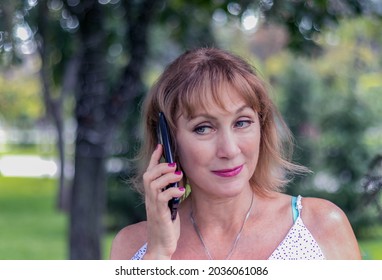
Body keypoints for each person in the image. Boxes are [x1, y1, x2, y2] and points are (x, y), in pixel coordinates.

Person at [110, 47, 361, 260]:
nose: (229, 150)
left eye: (242, 122)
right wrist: (159, 254)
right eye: (203, 128)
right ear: (168, 142)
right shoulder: (133, 247)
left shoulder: (321, 226)